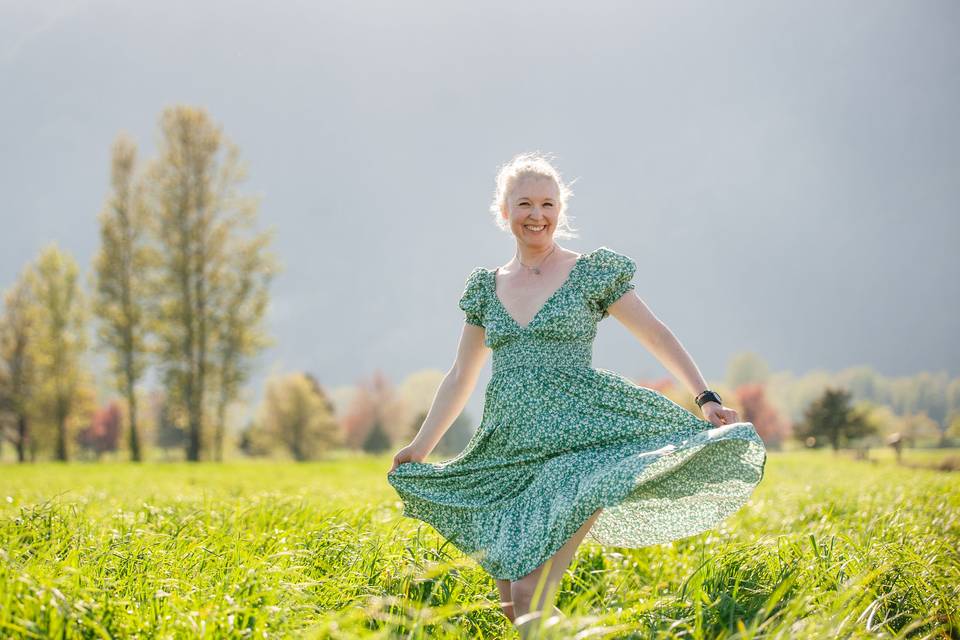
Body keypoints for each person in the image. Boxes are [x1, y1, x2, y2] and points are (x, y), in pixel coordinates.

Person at [387, 151, 767, 636]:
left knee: (527, 593)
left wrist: (705, 397)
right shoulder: (486, 288)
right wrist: (420, 447)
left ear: (560, 210)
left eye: (548, 203)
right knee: (511, 599)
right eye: (524, 203)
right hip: (509, 451)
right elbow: (462, 374)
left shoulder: (589, 273)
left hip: (582, 445)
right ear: (504, 211)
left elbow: (655, 335)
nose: (537, 215)